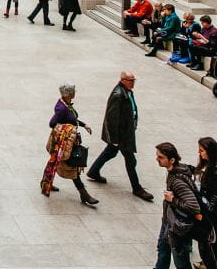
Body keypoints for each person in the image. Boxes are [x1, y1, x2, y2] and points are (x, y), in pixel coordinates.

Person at [86, 71, 154, 201]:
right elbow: (112, 119)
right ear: (123, 80)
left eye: (134, 80)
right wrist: (114, 139)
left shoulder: (127, 92)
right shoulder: (118, 95)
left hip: (125, 132)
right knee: (130, 160)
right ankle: (137, 188)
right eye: (130, 80)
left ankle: (94, 171)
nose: (133, 82)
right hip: (121, 135)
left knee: (110, 152)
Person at [42, 83, 98, 207]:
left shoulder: (66, 105)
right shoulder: (61, 109)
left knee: (55, 162)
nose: (74, 93)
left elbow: (72, 118)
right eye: (73, 92)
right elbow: (52, 123)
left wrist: (84, 125)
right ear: (68, 94)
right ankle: (84, 194)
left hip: (66, 142)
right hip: (64, 143)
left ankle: (46, 182)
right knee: (72, 167)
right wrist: (67, 129)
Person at [153, 142, 202, 269]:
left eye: (161, 157)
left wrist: (173, 199)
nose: (157, 159)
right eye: (157, 156)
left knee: (180, 260)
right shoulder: (175, 171)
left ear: (172, 160)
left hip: (177, 227)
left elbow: (193, 206)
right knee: (163, 250)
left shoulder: (177, 181)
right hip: (169, 220)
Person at [193, 137, 217, 269]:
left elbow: (215, 198)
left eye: (202, 151)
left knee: (212, 236)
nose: (199, 153)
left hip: (214, 211)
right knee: (210, 236)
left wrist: (206, 212)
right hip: (207, 206)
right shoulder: (208, 164)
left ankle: (210, 262)